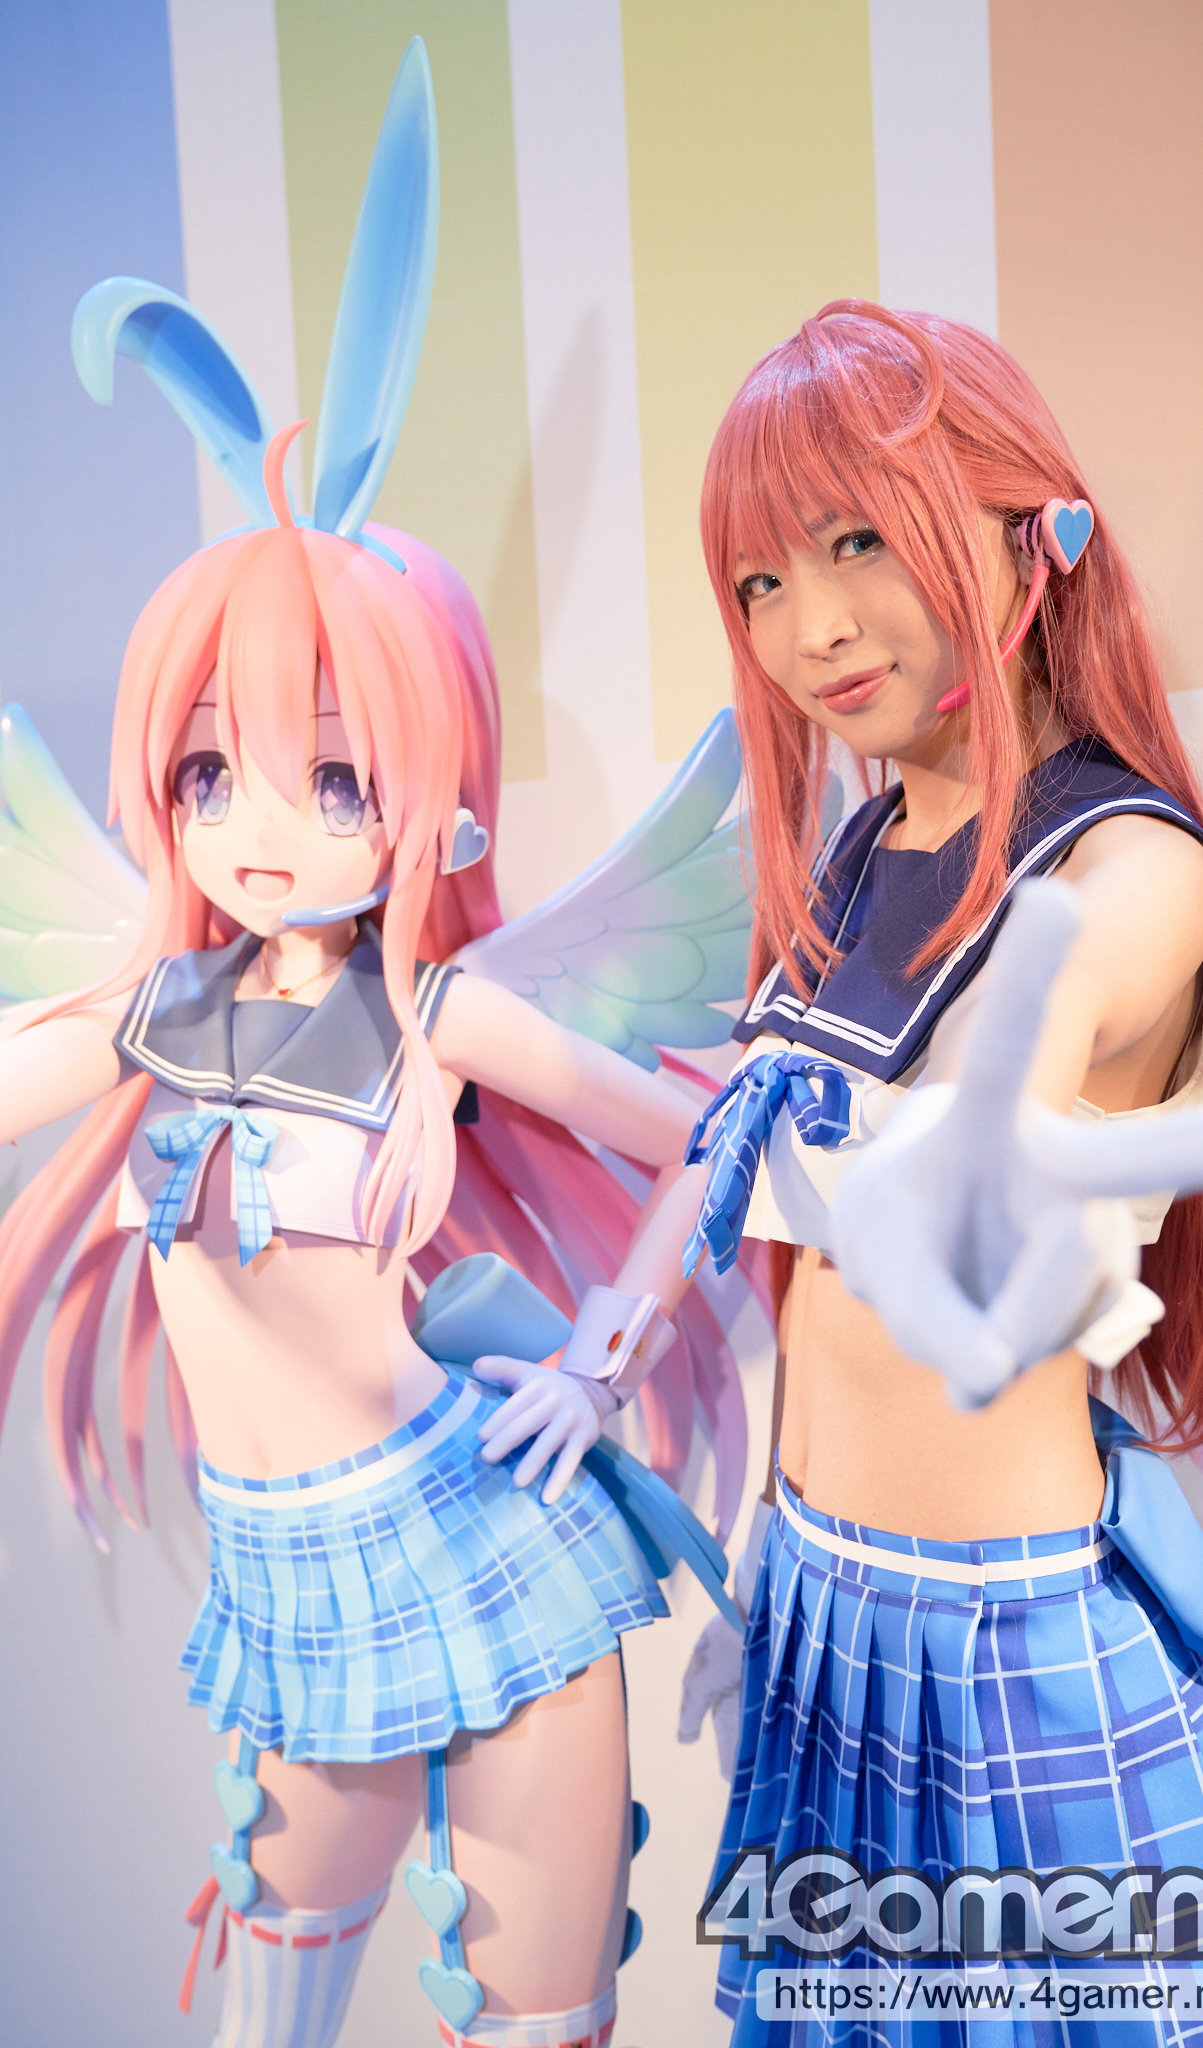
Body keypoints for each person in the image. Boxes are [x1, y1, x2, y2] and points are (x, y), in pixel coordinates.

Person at [0, 43, 752, 2048]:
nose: (261, 823)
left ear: (431, 801)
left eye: (333, 776)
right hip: (287, 1581)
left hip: (483, 1538)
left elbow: (703, 1136)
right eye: (210, 771)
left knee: (532, 2020)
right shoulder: (153, 1013)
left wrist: (599, 1359)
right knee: (267, 2008)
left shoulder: (441, 1011)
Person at [682, 301, 1203, 2044]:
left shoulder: (1134, 869)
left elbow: (1032, 1039)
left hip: (1006, 1644)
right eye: (760, 580)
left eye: (856, 541)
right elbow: (814, 1272)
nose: (812, 626)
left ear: (1028, 530)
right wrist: (766, 1566)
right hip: (825, 1603)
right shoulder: (863, 853)